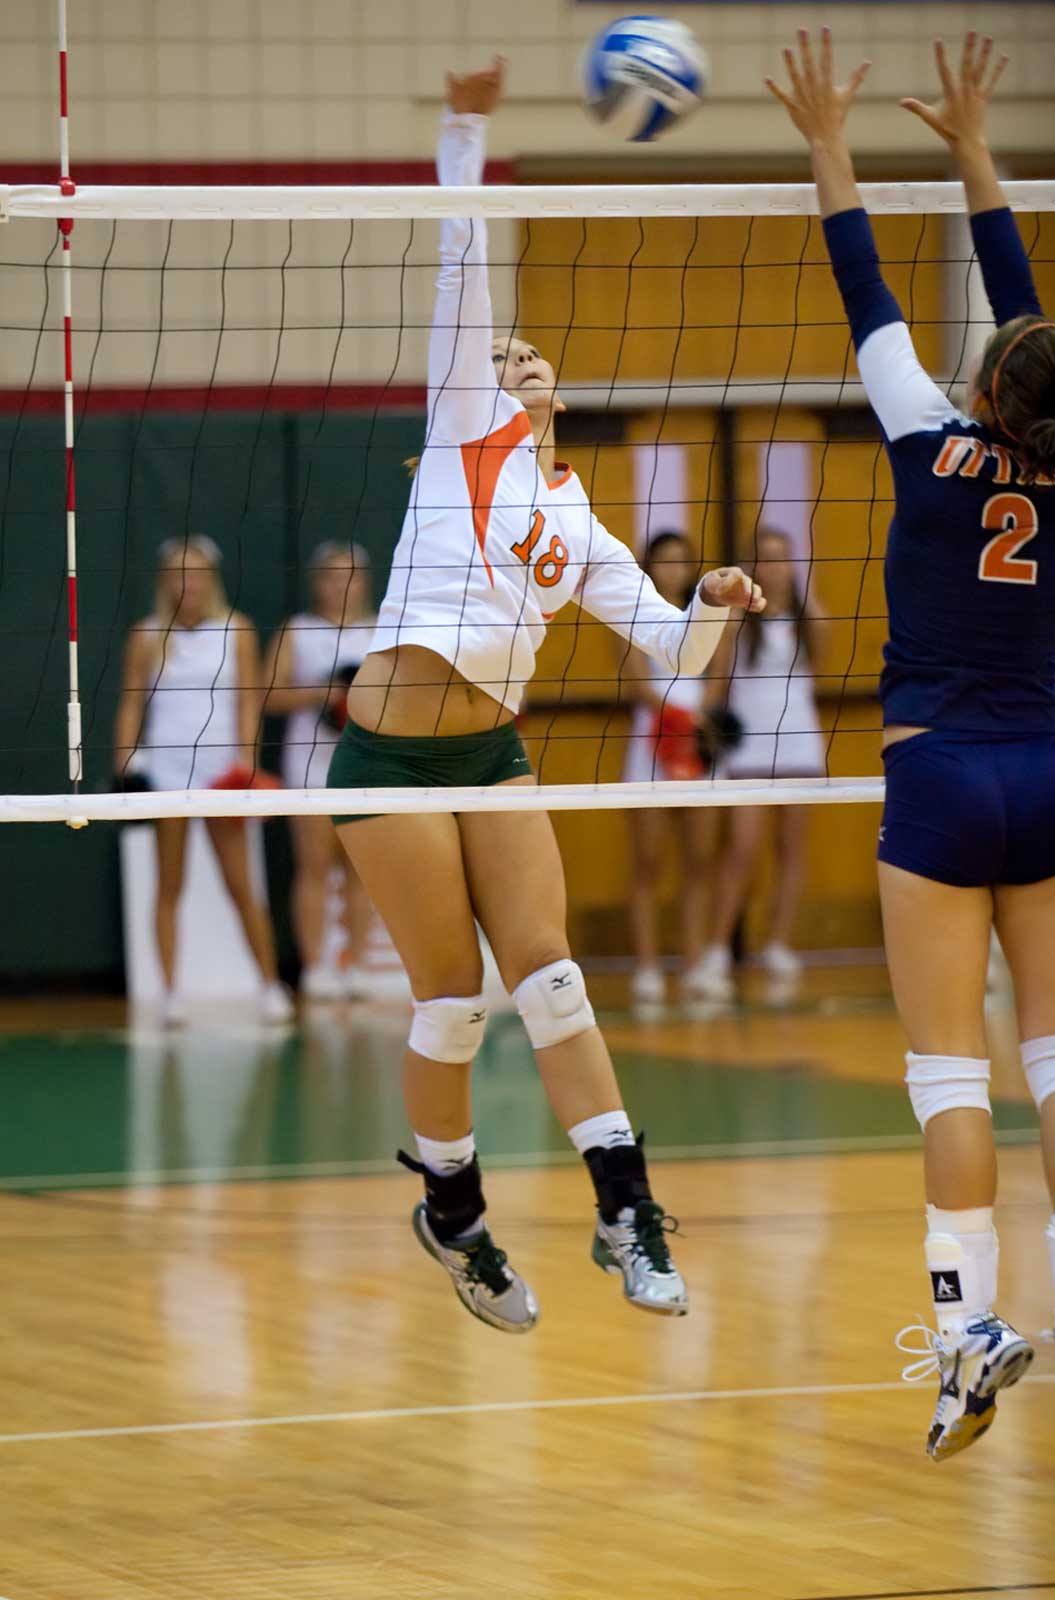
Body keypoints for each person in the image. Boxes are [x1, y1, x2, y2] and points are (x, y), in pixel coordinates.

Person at [326, 59, 764, 1334]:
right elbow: (462, 266)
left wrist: (716, 612)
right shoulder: (465, 426)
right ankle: (453, 1215)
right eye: (499, 350)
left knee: (553, 980)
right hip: (387, 760)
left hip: (494, 759)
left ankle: (623, 1210)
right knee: (452, 998)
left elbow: (672, 663)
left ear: (554, 391)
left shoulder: (582, 528)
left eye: (527, 354)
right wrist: (465, 125)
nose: (508, 355)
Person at [767, 29, 1055, 1459]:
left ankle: (965, 1335)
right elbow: (1030, 337)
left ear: (986, 392)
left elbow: (860, 278)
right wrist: (972, 153)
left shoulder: (920, 439)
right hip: (1047, 771)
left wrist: (834, 139)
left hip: (938, 776)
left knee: (947, 1075)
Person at [114, 535, 294, 1027]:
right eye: (176, 574)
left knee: (242, 884)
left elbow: (247, 703)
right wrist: (126, 763)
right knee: (168, 884)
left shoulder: (236, 630)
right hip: (167, 776)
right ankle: (170, 995)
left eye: (194, 573)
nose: (185, 583)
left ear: (210, 580)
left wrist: (248, 765)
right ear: (165, 582)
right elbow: (132, 703)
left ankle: (269, 986)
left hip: (221, 775)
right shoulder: (147, 634)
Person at [698, 526, 829, 999]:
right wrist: (703, 730)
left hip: (800, 744)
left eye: (782, 558)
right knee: (741, 851)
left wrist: (807, 598)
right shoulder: (736, 622)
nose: (774, 568)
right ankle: (715, 951)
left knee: (792, 851)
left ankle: (778, 943)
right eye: (766, 559)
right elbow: (715, 683)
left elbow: (825, 657)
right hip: (750, 748)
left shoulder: (807, 618)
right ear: (753, 567)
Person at [264, 542, 377, 1000]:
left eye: (350, 575)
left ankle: (359, 968)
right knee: (313, 868)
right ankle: (316, 969)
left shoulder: (382, 629)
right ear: (317, 583)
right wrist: (326, 694)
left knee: (362, 869)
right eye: (331, 576)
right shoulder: (298, 631)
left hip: (368, 763)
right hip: (310, 764)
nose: (341, 586)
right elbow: (267, 695)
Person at [619, 530, 719, 1010]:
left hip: (698, 747)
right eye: (665, 561)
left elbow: (717, 677)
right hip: (650, 746)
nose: (674, 569)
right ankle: (647, 966)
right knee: (647, 863)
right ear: (649, 567)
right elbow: (633, 679)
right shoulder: (633, 613)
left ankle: (695, 963)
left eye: (682, 561)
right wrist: (671, 718)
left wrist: (696, 724)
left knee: (700, 859)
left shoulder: (706, 614)